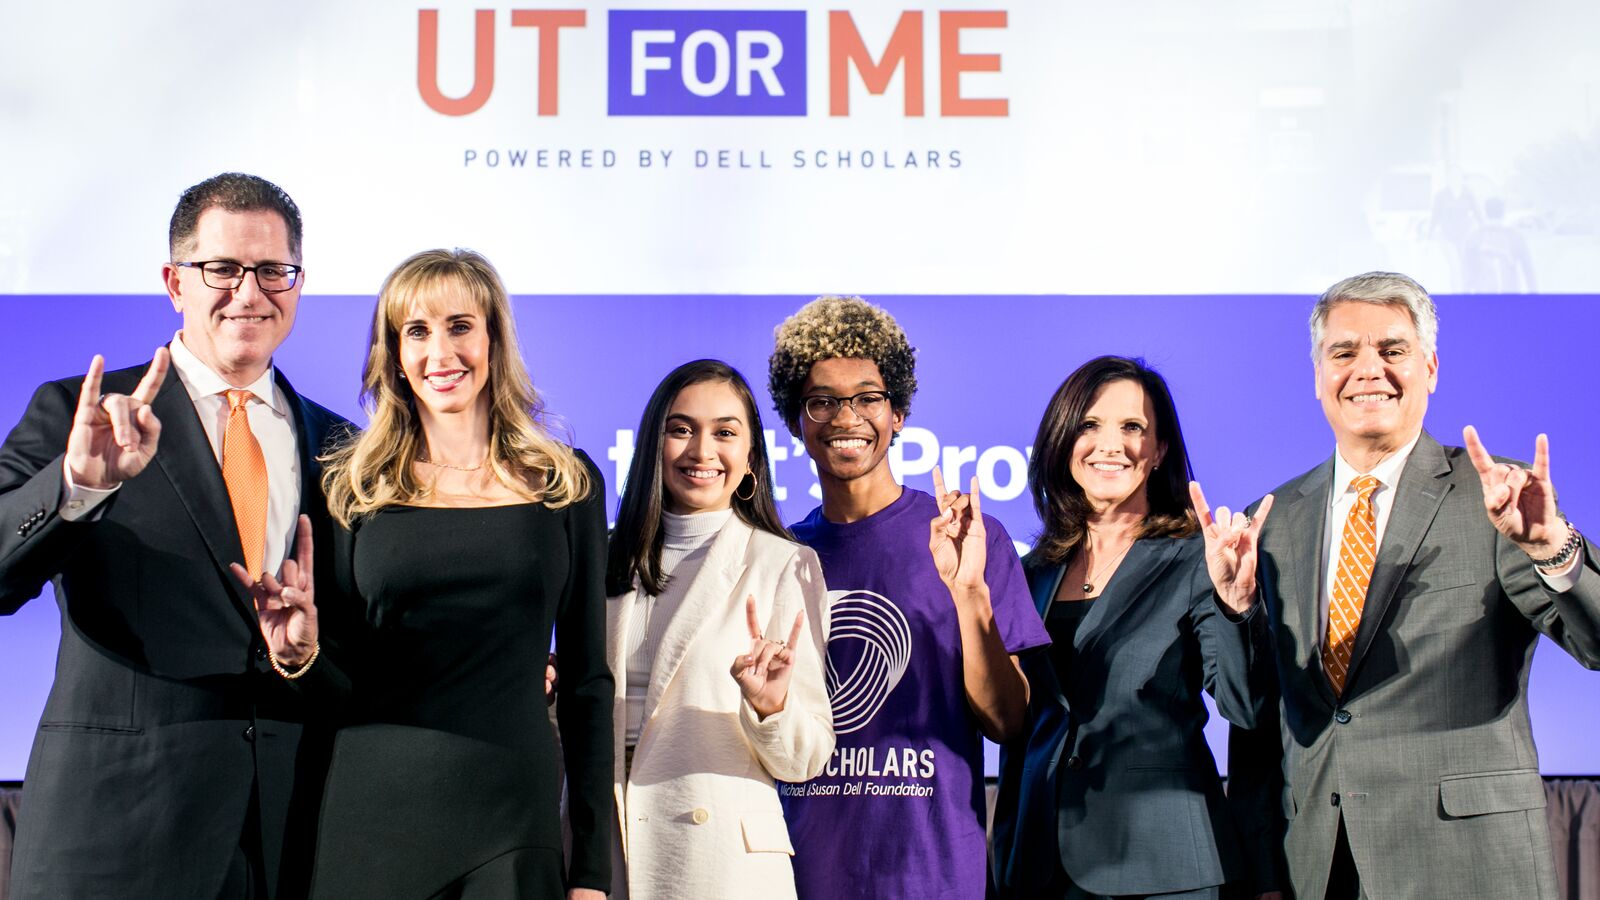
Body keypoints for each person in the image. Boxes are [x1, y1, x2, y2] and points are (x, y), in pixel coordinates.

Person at [0, 172, 346, 899]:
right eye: (222, 268)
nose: (250, 293)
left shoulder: (341, 446)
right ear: (174, 282)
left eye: (274, 271)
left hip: (288, 841)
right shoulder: (81, 414)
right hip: (118, 837)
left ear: (299, 283)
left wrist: (304, 651)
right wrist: (79, 485)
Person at [1229, 271, 1600, 899]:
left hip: (1467, 864)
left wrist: (1551, 548)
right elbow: (1261, 723)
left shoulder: (1497, 497)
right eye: (1344, 352)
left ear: (1430, 367)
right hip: (1319, 867)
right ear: (1318, 374)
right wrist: (1264, 871)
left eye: (1392, 350)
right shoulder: (1275, 516)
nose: (1367, 369)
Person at [309, 249, 611, 898]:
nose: (440, 352)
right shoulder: (346, 488)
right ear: (393, 355)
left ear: (494, 339)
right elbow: (329, 665)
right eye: (416, 332)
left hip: (512, 813)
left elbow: (587, 682)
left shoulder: (567, 484)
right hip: (367, 812)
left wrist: (591, 870)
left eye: (459, 326)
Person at [765, 295, 1051, 898]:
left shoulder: (969, 538)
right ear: (797, 421)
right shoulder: (778, 558)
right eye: (823, 401)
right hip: (801, 874)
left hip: (936, 876)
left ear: (898, 413)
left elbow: (1009, 719)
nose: (848, 417)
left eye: (868, 397)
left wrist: (969, 593)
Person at [990, 355, 1274, 899]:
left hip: (1165, 869)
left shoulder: (1198, 559)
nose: (1110, 445)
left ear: (1159, 449)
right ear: (1061, 440)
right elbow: (1019, 727)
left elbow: (1245, 706)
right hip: (1040, 864)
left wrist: (1238, 604)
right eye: (1090, 425)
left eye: (1133, 428)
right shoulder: (1031, 572)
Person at [605, 358, 834, 899]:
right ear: (652, 447)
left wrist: (771, 707)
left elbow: (805, 759)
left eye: (724, 433)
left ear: (750, 456)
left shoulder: (783, 564)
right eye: (680, 429)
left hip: (719, 867)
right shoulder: (603, 556)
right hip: (608, 853)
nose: (702, 451)